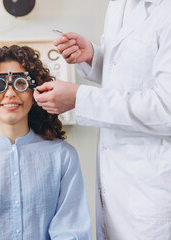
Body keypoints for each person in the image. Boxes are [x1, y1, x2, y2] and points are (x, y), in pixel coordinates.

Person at [33, 0, 171, 239]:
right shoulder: (120, 4)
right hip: (118, 183)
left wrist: (80, 98)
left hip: (153, 191)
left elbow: (166, 108)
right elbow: (129, 74)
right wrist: (94, 56)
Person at [0, 45, 92, 240]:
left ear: (34, 92)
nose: (11, 93)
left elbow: (70, 231)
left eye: (20, 83)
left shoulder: (63, 156)